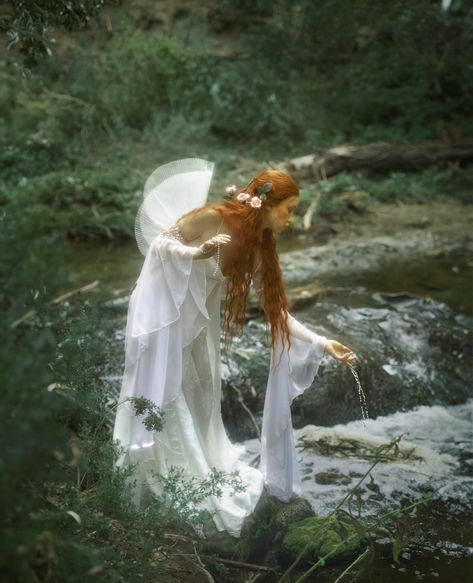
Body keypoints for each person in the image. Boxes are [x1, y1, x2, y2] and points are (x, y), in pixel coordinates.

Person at [113, 162, 357, 537]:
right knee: (166, 392)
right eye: (289, 209)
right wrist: (196, 254)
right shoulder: (213, 217)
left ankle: (194, 472)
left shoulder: (258, 249)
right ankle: (155, 482)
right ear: (268, 203)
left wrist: (323, 343)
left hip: (195, 322)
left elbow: (278, 313)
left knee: (202, 389)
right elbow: (162, 243)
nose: (291, 219)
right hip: (162, 311)